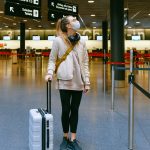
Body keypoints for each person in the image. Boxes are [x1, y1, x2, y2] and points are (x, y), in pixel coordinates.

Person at [45, 16, 90, 150]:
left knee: (75, 110)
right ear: (68, 26)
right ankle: (65, 137)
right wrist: (49, 72)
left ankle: (73, 138)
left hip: (79, 81)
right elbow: (52, 59)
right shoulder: (58, 41)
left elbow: (85, 63)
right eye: (74, 20)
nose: (77, 21)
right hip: (64, 80)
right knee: (65, 109)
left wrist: (87, 81)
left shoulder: (81, 42)